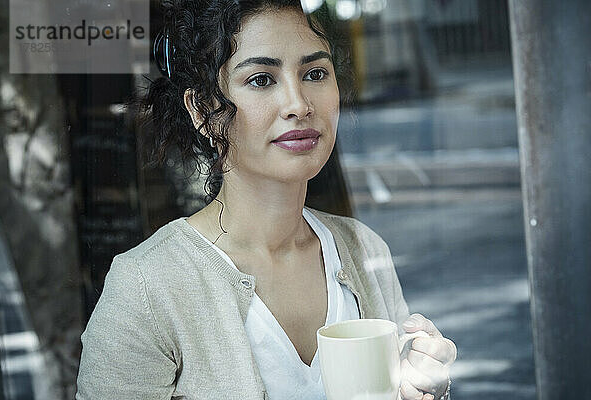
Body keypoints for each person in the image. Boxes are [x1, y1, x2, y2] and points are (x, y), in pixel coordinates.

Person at [75, 1, 457, 399]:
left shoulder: (363, 250)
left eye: (314, 73)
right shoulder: (146, 286)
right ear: (203, 110)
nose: (299, 104)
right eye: (261, 79)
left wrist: (425, 388)